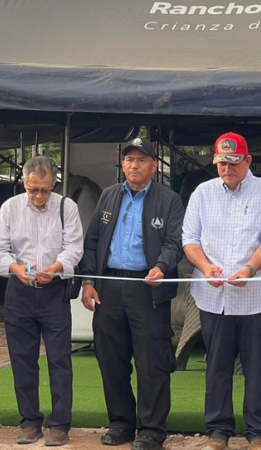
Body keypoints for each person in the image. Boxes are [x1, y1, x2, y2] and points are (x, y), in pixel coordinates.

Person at [182, 132, 261, 450]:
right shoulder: (202, 193)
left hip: (257, 294)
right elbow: (189, 238)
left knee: (257, 366)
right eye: (221, 163)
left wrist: (250, 269)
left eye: (233, 162)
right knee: (216, 365)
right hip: (214, 295)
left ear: (247, 161)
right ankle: (218, 430)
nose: (227, 168)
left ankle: (258, 432)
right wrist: (204, 266)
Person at [79, 138, 184, 449]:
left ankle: (151, 429)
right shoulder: (109, 196)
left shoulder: (169, 200)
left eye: (141, 159)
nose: (134, 165)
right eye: (129, 160)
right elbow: (92, 241)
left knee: (152, 362)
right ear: (122, 164)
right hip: (108, 286)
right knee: (111, 359)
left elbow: (174, 242)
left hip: (148, 287)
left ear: (154, 165)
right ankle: (121, 423)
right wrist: (88, 281)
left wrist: (162, 267)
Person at [0, 155, 84, 446]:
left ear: (54, 184)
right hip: (19, 292)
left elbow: (74, 248)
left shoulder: (66, 207)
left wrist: (56, 268)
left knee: (59, 359)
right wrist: (16, 269)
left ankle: (59, 424)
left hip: (54, 291)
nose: (38, 196)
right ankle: (30, 421)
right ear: (23, 183)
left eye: (44, 190)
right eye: (32, 189)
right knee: (22, 359)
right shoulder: (10, 207)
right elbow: (0, 250)